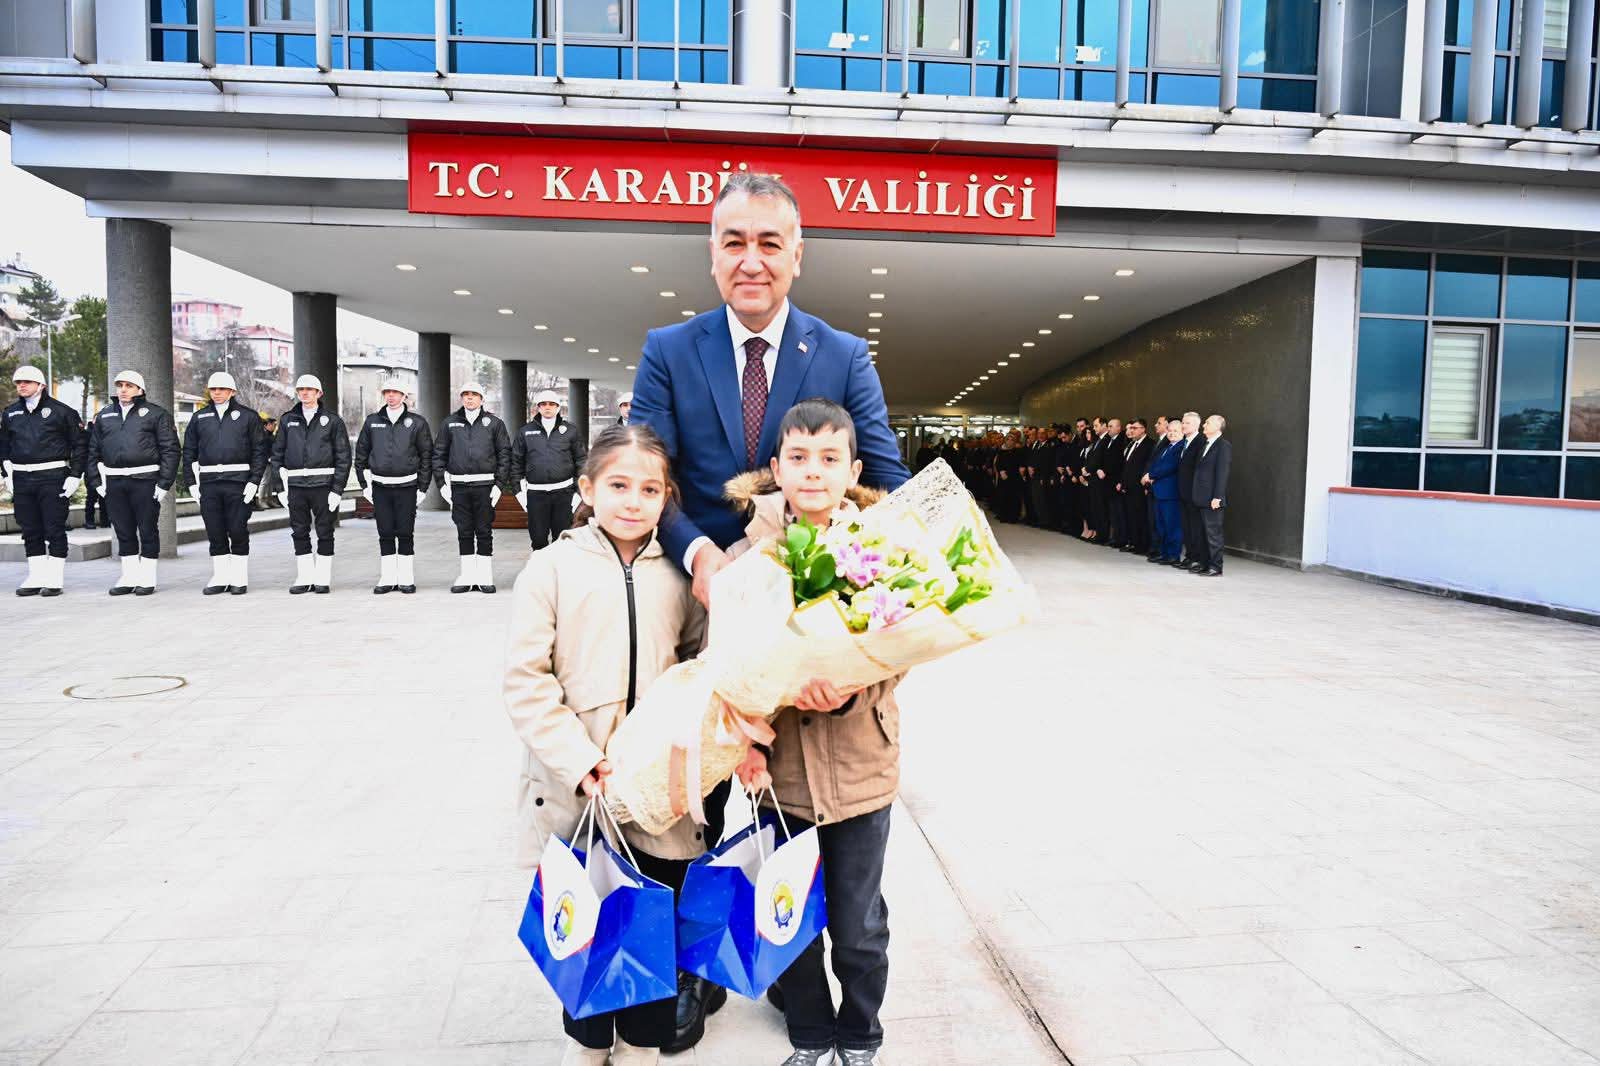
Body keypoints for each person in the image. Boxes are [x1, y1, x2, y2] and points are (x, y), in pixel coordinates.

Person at [502, 424, 706, 1066]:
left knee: (653, 933)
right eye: (618, 485)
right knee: (585, 930)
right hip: (579, 791)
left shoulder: (679, 574)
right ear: (587, 489)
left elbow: (701, 667)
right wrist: (580, 759)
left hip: (655, 793)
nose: (633, 502)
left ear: (666, 498)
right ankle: (587, 1049)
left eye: (650, 490)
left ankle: (642, 1049)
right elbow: (526, 679)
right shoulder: (551, 568)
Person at [630, 171, 909, 615]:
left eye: (769, 244)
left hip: (814, 600)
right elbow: (644, 480)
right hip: (693, 590)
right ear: (714, 254)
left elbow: (886, 480)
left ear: (796, 256)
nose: (751, 263)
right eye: (734, 243)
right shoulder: (668, 351)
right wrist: (698, 553)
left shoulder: (845, 356)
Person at [727, 399, 903, 1066]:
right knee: (789, 917)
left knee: (859, 925)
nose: (813, 471)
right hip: (784, 778)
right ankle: (808, 1032)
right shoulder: (749, 556)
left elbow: (903, 651)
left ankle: (860, 1033)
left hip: (862, 771)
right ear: (776, 469)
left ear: (852, 471)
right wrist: (750, 733)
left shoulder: (882, 553)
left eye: (830, 458)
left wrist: (856, 686)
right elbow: (728, 665)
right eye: (798, 458)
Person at [86, 369, 180, 596]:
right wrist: (96, 481)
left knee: (147, 529)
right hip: (115, 481)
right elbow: (93, 451)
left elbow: (170, 450)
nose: (123, 390)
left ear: (140, 389)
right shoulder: (105, 415)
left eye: (129, 386)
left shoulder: (157, 414)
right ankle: (129, 576)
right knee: (123, 530)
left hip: (145, 480)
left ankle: (147, 577)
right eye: (120, 386)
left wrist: (164, 483)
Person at [183, 371, 271, 595]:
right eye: (213, 389)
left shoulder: (248, 417)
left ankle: (239, 577)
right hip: (209, 482)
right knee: (215, 530)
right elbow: (189, 452)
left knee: (237, 528)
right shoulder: (199, 417)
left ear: (232, 391)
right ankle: (221, 577)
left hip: (238, 482)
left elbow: (259, 452)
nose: (217, 393)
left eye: (222, 389)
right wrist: (192, 482)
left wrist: (254, 481)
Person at [1, 364, 84, 596]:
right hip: (22, 478)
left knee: (54, 528)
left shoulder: (62, 412)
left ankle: (54, 577)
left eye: (27, 382)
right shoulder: (10, 413)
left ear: (41, 385)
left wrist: (75, 475)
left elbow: (80, 446)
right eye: (18, 382)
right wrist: (7, 472)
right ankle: (36, 576)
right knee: (29, 529)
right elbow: (4, 446)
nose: (22, 386)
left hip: (52, 476)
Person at [269, 374, 351, 594]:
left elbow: (343, 457)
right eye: (300, 390)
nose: (304, 393)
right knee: (299, 531)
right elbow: (277, 455)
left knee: (325, 531)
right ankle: (305, 577)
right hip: (296, 486)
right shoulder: (287, 420)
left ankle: (322, 577)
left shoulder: (332, 421)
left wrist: (337, 489)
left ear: (319, 393)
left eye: (309, 389)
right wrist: (280, 488)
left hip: (323, 485)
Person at [354, 378, 433, 595]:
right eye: (387, 392)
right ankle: (388, 577)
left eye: (396, 392)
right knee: (385, 531)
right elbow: (361, 455)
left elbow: (427, 456)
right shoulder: (372, 421)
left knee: (405, 532)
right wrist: (365, 485)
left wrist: (423, 487)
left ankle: (406, 577)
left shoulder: (417, 423)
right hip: (380, 487)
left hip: (407, 486)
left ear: (404, 396)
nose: (391, 395)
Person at [512, 389, 586, 552]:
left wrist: (578, 493)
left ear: (558, 407)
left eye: (552, 404)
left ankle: (559, 569)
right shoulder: (525, 432)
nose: (547, 407)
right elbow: (516, 463)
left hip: (563, 494)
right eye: (543, 404)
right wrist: (519, 493)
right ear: (538, 407)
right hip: (536, 495)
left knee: (562, 541)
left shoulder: (571, 431)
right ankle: (541, 569)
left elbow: (581, 462)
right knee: (538, 540)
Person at [1190, 414, 1232, 577]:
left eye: (1207, 423)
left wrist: (1218, 497)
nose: (1204, 425)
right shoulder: (1205, 445)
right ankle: (1205, 563)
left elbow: (1222, 473)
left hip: (1212, 499)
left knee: (1213, 534)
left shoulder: (1223, 446)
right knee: (1202, 533)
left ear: (1217, 426)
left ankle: (1216, 567)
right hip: (1200, 497)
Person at [1143, 420, 1186, 564]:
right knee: (1161, 526)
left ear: (1182, 432)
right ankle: (1164, 553)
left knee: (1172, 525)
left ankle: (1173, 555)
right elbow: (1155, 464)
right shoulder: (1166, 447)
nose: (1172, 433)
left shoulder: (1181, 447)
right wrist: (1150, 474)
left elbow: (1170, 466)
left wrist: (1151, 475)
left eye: (1175, 431)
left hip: (1171, 493)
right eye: (1170, 431)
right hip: (1159, 492)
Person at [1116, 419, 1152, 556]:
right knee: (1131, 516)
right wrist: (1122, 482)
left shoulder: (1149, 444)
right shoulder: (1132, 444)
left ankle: (1143, 545)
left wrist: (1145, 484)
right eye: (1130, 428)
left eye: (1135, 428)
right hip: (1128, 487)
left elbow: (1146, 466)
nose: (1131, 430)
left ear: (1143, 429)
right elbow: (1126, 466)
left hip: (1139, 487)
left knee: (1140, 516)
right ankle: (1134, 542)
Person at [1176, 411, 1204, 570]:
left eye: (1187, 423)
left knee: (1195, 527)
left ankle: (1197, 558)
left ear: (1196, 425)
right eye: (1182, 422)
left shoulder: (1201, 442)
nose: (1183, 425)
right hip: (1182, 492)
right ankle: (1190, 556)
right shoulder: (1184, 442)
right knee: (1186, 526)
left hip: (1194, 493)